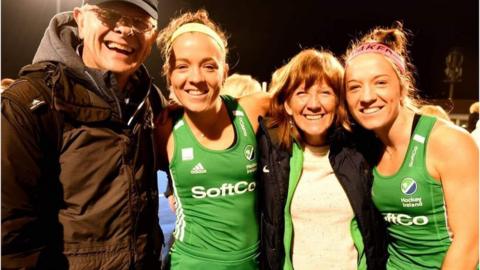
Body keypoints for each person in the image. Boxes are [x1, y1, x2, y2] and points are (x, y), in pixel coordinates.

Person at [1, 0, 166, 269]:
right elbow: (11, 236)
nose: (125, 29)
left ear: (152, 36)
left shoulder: (151, 99)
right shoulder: (30, 102)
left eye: (140, 22)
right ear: (80, 19)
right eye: (110, 15)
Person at [343, 22, 479, 269]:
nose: (366, 97)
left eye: (380, 82)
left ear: (403, 85)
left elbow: (469, 244)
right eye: (354, 87)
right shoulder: (364, 147)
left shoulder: (448, 142)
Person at [154, 9, 270, 269]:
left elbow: (309, 101)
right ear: (169, 73)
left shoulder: (252, 110)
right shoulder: (163, 129)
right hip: (191, 262)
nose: (195, 78)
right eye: (182, 66)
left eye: (209, 66)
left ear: (225, 72)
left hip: (254, 262)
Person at [257, 48, 388, 270]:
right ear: (287, 104)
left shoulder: (363, 151)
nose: (314, 104)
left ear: (339, 101)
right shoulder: (270, 150)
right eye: (301, 93)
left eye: (325, 92)